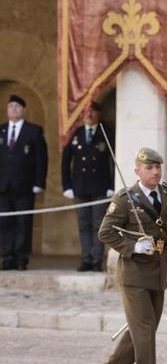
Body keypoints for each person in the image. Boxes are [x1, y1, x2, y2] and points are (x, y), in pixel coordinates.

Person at [92, 147, 167, 364]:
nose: (155, 172)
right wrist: (132, 248)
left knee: (145, 329)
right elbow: (105, 233)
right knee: (144, 333)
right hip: (133, 273)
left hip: (159, 271)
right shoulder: (125, 199)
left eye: (157, 167)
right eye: (149, 168)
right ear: (137, 171)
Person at [61, 104, 114, 271]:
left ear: (99, 114)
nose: (88, 115)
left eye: (92, 111)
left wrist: (112, 186)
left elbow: (114, 160)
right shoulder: (75, 133)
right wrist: (67, 185)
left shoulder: (106, 133)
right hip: (80, 187)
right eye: (85, 112)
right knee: (83, 224)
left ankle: (97, 260)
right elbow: (65, 161)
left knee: (98, 225)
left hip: (100, 187)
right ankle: (86, 259)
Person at [0, 94, 47, 271]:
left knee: (23, 223)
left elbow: (42, 159)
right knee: (5, 223)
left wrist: (39, 182)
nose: (13, 109)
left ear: (23, 110)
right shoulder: (1, 130)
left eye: (17, 107)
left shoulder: (33, 131)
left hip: (25, 185)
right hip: (3, 186)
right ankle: (7, 257)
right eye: (11, 106)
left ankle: (21, 258)